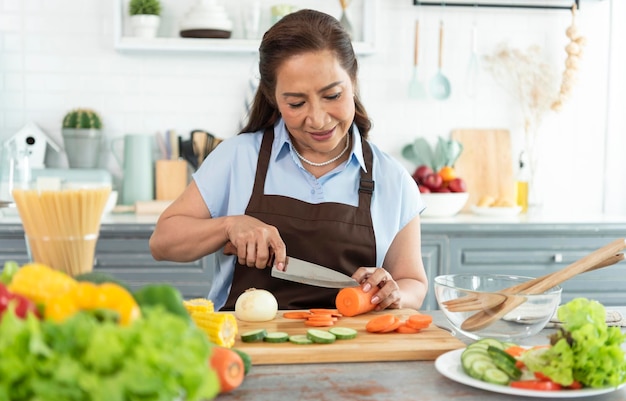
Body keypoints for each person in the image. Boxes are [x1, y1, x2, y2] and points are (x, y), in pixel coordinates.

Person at [150, 9, 428, 311]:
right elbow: (162, 242)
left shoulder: (392, 178)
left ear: (354, 80)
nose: (318, 119)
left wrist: (394, 293)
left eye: (333, 95)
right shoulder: (238, 157)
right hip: (246, 349)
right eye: (296, 103)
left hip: (352, 352)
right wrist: (228, 226)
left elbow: (413, 282)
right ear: (273, 97)